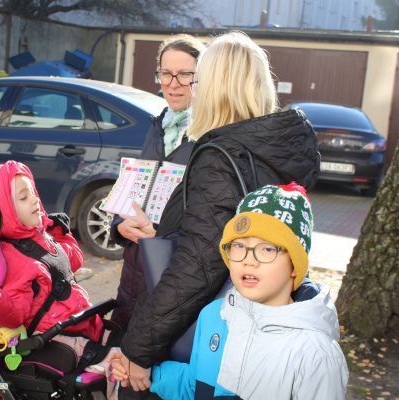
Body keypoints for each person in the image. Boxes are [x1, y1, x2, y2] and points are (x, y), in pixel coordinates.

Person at [114, 31, 321, 393]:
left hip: (200, 336)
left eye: (196, 80)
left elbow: (199, 264)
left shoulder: (221, 157)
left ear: (214, 88)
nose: (192, 90)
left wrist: (138, 349)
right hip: (251, 329)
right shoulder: (272, 150)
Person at [114, 183, 349, 399]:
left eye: (267, 249)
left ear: (295, 266)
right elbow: (197, 386)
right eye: (239, 246)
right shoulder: (215, 315)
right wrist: (149, 374)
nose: (249, 260)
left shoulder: (316, 354)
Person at [0, 160, 118, 400]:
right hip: (54, 334)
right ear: (5, 210)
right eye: (23, 197)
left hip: (80, 321)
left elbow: (72, 260)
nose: (34, 200)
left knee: (127, 344)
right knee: (116, 364)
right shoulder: (15, 260)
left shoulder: (41, 236)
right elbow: (13, 315)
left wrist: (61, 233)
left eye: (33, 193)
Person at [110, 34, 205, 331]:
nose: (173, 84)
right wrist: (119, 226)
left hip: (174, 271)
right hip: (136, 264)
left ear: (203, 78)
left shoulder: (210, 135)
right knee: (123, 341)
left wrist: (162, 235)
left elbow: (207, 218)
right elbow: (137, 188)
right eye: (165, 73)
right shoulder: (158, 125)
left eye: (185, 74)